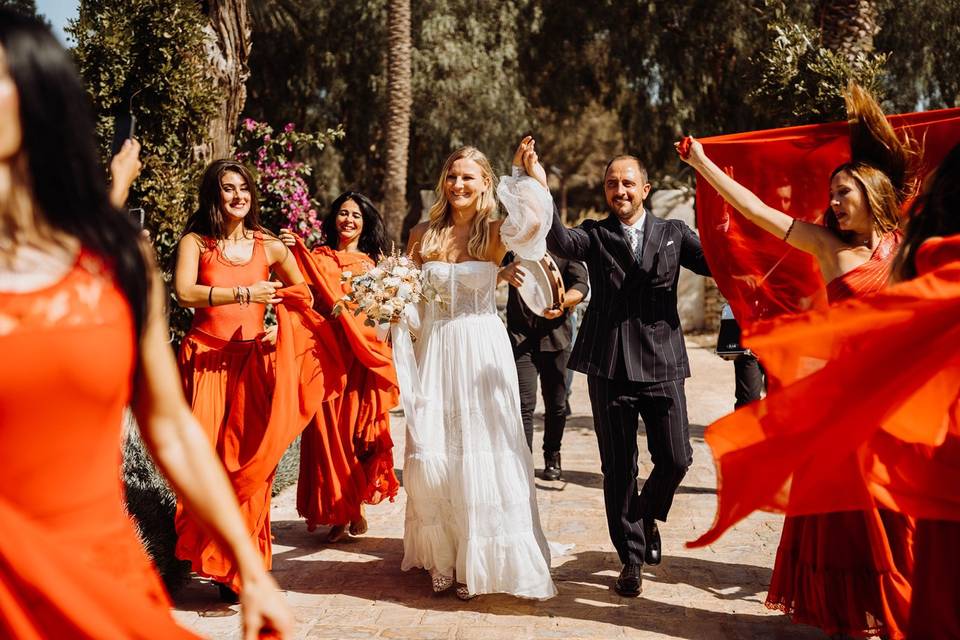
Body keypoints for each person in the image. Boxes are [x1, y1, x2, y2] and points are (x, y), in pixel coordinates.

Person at [0, 10, 291, 638]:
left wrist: (250, 565)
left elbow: (167, 425)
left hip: (101, 586)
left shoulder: (114, 259)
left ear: (36, 95)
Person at [678, 84, 919, 638]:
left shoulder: (906, 243)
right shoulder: (827, 246)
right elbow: (757, 210)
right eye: (832, 192)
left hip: (901, 397)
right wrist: (704, 163)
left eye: (844, 192)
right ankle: (861, 612)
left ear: (873, 192)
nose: (834, 201)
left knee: (902, 511)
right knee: (851, 516)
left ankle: (904, 604)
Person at [545, 152, 710, 597]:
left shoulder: (673, 233)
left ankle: (646, 514)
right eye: (612, 184)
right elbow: (560, 240)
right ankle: (631, 559)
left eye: (628, 183)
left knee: (676, 457)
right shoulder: (596, 234)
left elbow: (716, 261)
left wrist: (729, 211)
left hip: (662, 362)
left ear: (646, 188)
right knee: (618, 467)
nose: (620, 190)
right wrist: (539, 183)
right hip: (610, 363)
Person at [400, 137, 556, 601]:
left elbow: (536, 222)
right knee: (435, 447)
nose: (458, 184)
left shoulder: (493, 232)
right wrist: (389, 306)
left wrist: (524, 173)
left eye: (468, 176)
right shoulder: (421, 233)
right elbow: (408, 297)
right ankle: (442, 558)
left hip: (480, 347)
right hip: (436, 349)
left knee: (479, 447)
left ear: (484, 182)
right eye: (452, 175)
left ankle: (475, 561)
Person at [173, 159, 337, 602]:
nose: (237, 196)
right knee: (207, 465)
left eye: (244, 188)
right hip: (206, 362)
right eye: (228, 189)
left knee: (251, 466)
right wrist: (243, 293)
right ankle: (215, 557)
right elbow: (184, 292)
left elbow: (302, 295)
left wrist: (279, 325)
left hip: (254, 367)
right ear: (214, 194)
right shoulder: (196, 242)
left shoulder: (269, 245)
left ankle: (242, 565)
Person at [279, 191, 400, 543]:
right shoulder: (316, 257)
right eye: (343, 213)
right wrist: (290, 251)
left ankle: (354, 505)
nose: (348, 220)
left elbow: (381, 315)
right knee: (328, 435)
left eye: (356, 215)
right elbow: (302, 294)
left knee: (356, 434)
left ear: (366, 223)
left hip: (361, 358)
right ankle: (341, 512)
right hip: (325, 358)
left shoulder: (375, 267)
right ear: (333, 218)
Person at [499, 250, 588, 478]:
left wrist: (562, 302)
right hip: (520, 339)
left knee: (556, 405)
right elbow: (489, 273)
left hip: (557, 337)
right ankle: (524, 462)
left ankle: (552, 454)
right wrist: (502, 273)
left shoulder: (564, 246)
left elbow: (581, 284)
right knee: (523, 405)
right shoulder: (512, 247)